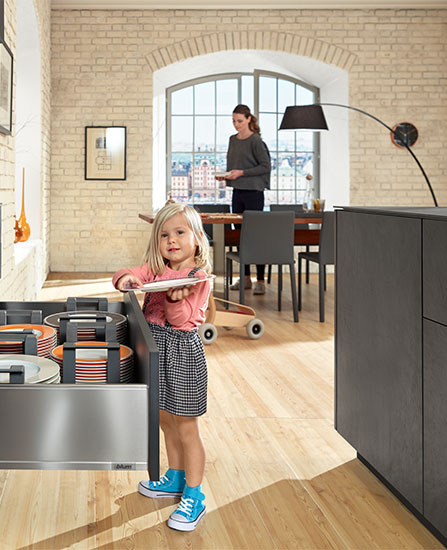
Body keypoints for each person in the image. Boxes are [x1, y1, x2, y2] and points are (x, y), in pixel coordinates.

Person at [112, 202, 213, 532]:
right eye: (164, 235)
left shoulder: (197, 277)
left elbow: (182, 320)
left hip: (181, 351)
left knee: (186, 427)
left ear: (197, 238)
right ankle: (175, 477)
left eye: (180, 233)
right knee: (165, 420)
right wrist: (127, 279)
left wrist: (173, 300)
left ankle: (195, 495)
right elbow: (128, 275)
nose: (171, 240)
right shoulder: (156, 269)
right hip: (154, 345)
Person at [216, 104, 272, 295]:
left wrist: (242, 172)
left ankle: (261, 280)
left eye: (239, 121)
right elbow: (235, 166)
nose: (236, 125)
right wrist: (226, 175)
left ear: (249, 119)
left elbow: (265, 166)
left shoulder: (256, 141)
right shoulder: (233, 140)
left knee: (257, 236)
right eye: (233, 121)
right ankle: (245, 278)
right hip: (238, 192)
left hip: (254, 193)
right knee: (241, 236)